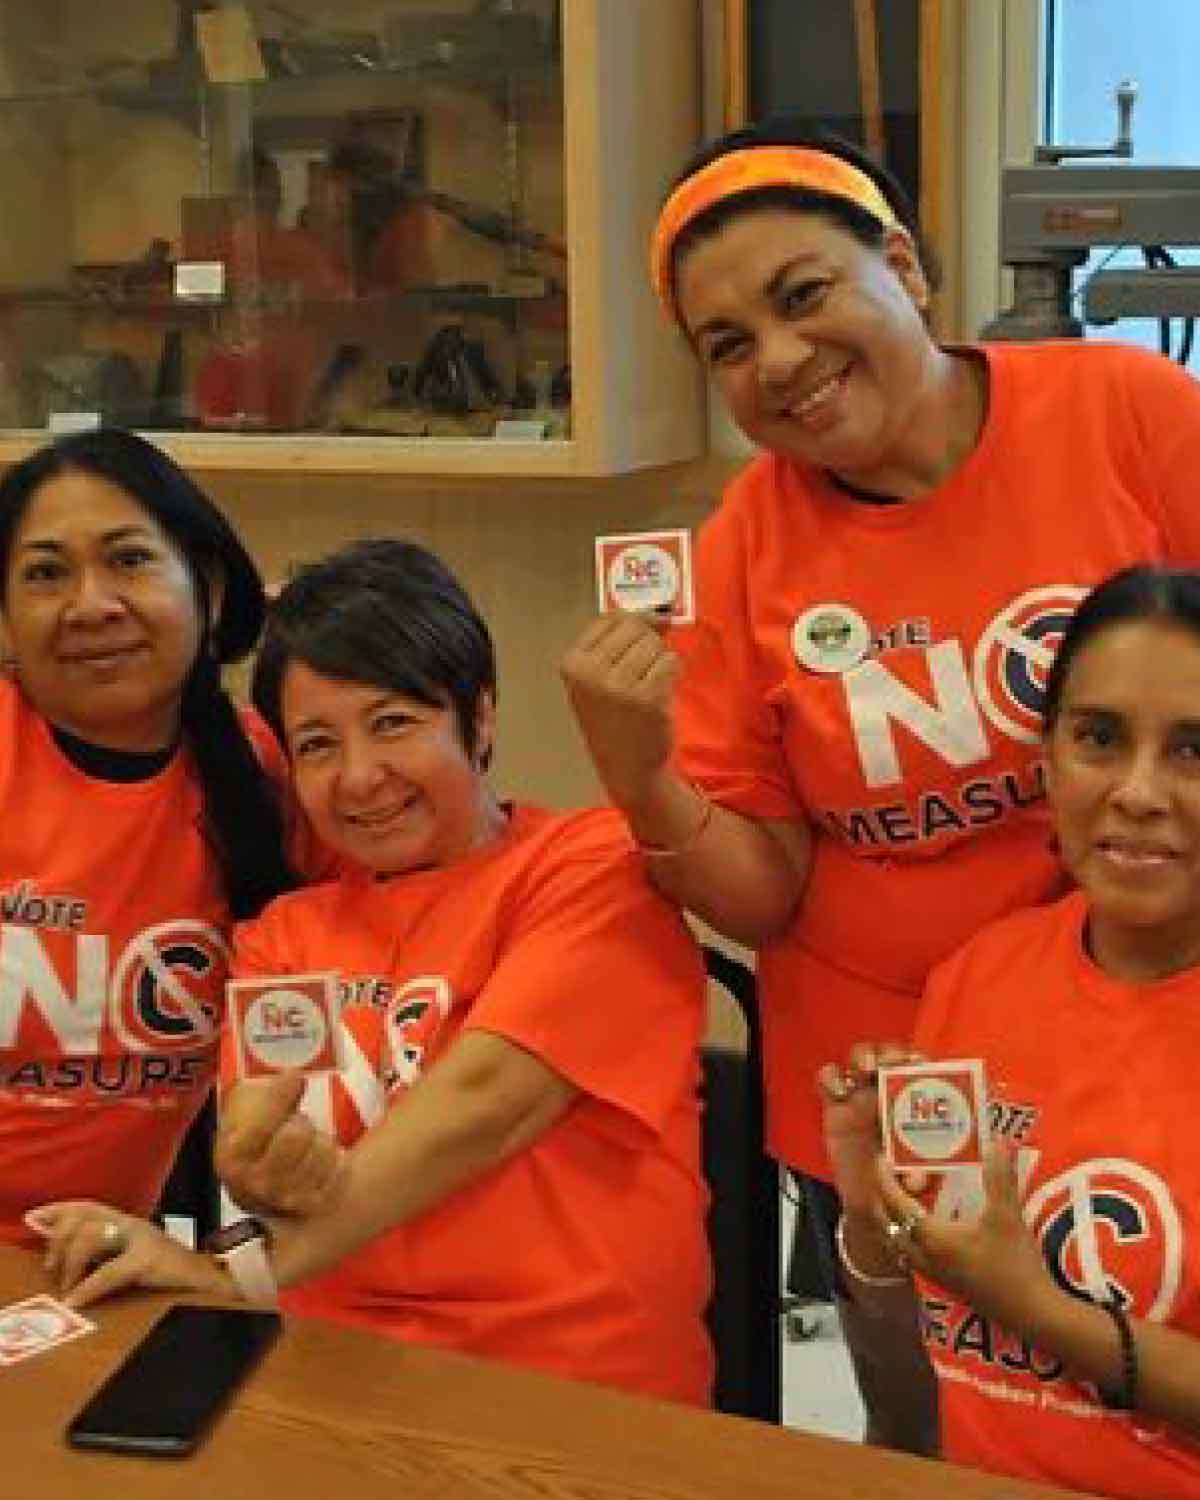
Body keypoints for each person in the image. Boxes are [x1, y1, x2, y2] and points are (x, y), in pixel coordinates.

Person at [560, 116, 1200, 1441]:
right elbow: (769, 893)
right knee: (937, 1426)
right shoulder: (742, 552)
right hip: (899, 1079)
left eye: (804, 296)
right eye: (727, 346)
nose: (780, 362)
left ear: (903, 265)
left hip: (1165, 1033)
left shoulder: (1125, 414)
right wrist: (645, 781)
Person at [33, 539, 713, 1407]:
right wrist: (254, 1169)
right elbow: (260, 1133)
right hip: (323, 1376)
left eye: (394, 723)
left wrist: (234, 1269)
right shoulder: (287, 933)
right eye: (317, 744)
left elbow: (485, 1107)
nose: (360, 778)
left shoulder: (592, 869)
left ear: (483, 716)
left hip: (570, 1389)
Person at [820, 564, 1200, 1496]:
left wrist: (1030, 1303)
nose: (1140, 792)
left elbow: (1001, 1304)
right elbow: (913, 1404)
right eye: (1099, 738)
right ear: (1045, 762)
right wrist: (871, 1223)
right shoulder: (979, 977)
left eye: (1195, 750)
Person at [0, 426, 295, 1244]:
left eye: (129, 559)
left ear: (206, 585)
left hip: (92, 1269)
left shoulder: (269, 774)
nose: (92, 604)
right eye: (47, 573)